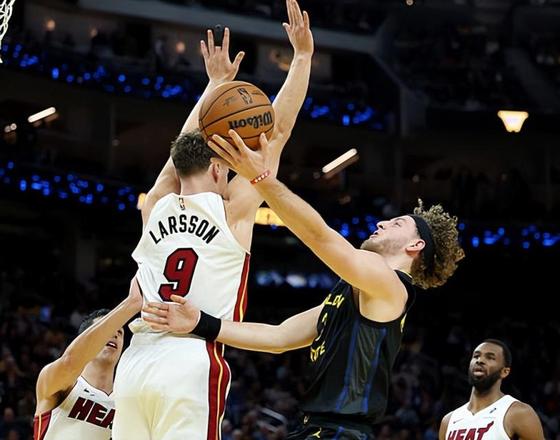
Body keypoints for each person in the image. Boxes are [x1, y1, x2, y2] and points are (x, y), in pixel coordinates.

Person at [142, 129, 465, 439]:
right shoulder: (355, 293)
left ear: (416, 245)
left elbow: (319, 237)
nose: (382, 222)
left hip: (342, 432)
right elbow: (279, 337)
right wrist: (200, 322)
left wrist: (260, 178)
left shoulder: (391, 286)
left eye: (397, 223)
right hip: (317, 428)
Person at [112, 1, 314, 439]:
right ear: (220, 169)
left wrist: (215, 85)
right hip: (190, 359)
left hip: (133, 364)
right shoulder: (231, 210)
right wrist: (301, 58)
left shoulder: (154, 205)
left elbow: (179, 153)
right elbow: (277, 133)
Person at [33, 278, 141, 440]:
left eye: (120, 332)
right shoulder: (60, 382)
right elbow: (69, 362)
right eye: (107, 330)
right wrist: (131, 304)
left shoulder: (127, 400)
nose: (114, 333)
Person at [438, 339, 545, 440]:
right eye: (476, 356)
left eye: (490, 357)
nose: (480, 360)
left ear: (504, 372)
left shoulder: (518, 413)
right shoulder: (448, 421)